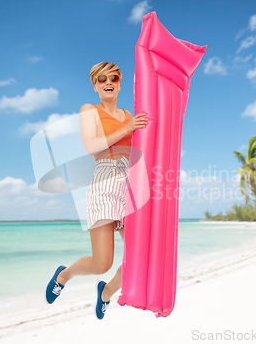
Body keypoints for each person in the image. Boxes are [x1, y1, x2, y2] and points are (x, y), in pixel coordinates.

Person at [44, 62, 148, 320]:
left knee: (140, 254)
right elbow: (90, 146)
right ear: (95, 85)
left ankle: (105, 294)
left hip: (131, 183)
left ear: (120, 82)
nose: (108, 81)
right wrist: (126, 129)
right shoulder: (89, 110)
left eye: (113, 77)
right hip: (104, 181)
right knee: (103, 263)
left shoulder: (130, 115)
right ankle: (63, 275)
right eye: (102, 79)